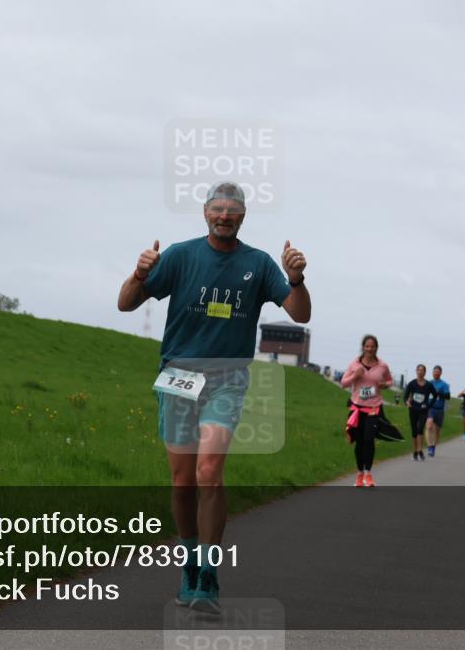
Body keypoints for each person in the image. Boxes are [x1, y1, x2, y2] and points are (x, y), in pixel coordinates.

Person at [117, 181, 311, 612]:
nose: (225, 216)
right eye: (218, 209)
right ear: (205, 212)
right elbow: (125, 304)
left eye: (233, 210)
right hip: (179, 374)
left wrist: (296, 280)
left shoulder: (258, 264)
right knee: (182, 480)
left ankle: (208, 573)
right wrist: (140, 273)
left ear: (243, 216)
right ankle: (188, 561)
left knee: (209, 471)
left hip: (228, 377)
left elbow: (300, 313)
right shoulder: (181, 256)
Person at [341, 335, 394, 487]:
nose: (370, 349)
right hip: (357, 408)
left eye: (372, 346)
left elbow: (389, 381)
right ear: (363, 347)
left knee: (369, 440)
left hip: (374, 408)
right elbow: (343, 383)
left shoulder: (383, 366)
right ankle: (359, 473)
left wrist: (385, 384)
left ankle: (368, 474)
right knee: (359, 442)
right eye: (367, 346)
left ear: (376, 348)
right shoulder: (354, 364)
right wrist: (354, 376)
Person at [404, 364, 437, 461]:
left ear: (425, 372)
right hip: (413, 409)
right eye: (418, 370)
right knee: (414, 431)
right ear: (416, 371)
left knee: (420, 429)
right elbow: (405, 396)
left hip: (423, 410)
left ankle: (420, 451)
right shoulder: (412, 384)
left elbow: (435, 395)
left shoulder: (429, 385)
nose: (420, 372)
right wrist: (407, 403)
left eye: (422, 370)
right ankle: (414, 452)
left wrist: (429, 405)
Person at [425, 365, 450, 458]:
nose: (435, 373)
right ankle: (429, 447)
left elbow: (448, 397)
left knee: (437, 432)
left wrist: (440, 393)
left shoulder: (444, 384)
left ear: (440, 373)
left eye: (437, 371)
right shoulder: (429, 383)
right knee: (429, 425)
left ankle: (433, 447)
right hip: (430, 408)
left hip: (439, 409)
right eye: (434, 371)